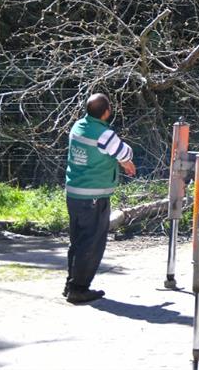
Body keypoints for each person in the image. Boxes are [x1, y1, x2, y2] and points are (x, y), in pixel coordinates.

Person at [63, 93, 135, 304]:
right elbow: (125, 153)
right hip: (93, 196)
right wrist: (126, 161)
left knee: (77, 241)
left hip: (74, 193)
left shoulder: (78, 126)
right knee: (92, 244)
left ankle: (71, 284)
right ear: (106, 112)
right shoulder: (105, 135)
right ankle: (79, 289)